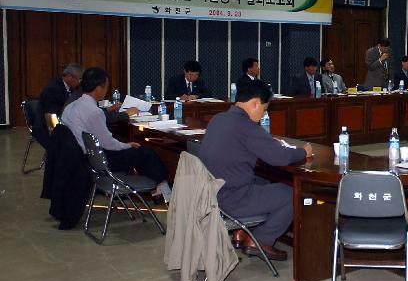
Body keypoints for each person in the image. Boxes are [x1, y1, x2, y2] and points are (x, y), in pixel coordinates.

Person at [199, 79, 313, 261]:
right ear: (254, 103)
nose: (263, 115)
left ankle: (239, 233)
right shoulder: (247, 126)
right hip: (232, 199)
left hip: (210, 193)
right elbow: (281, 158)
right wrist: (303, 152)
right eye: (264, 109)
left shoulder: (218, 119)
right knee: (292, 193)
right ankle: (260, 240)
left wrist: (266, 144)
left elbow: (241, 146)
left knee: (264, 181)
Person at [62, 67, 172, 200]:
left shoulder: (72, 106)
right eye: (106, 87)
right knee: (146, 153)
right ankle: (163, 189)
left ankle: (155, 189)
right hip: (99, 160)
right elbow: (109, 144)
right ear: (98, 88)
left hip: (82, 157)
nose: (106, 90)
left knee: (138, 152)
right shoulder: (93, 112)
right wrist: (128, 145)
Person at [37, 64, 83, 141]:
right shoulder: (53, 89)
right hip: (48, 126)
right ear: (69, 76)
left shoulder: (70, 88)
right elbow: (52, 114)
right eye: (78, 79)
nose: (79, 82)